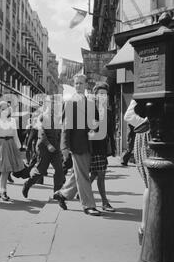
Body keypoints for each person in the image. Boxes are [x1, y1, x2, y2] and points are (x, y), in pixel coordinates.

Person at [53, 74, 102, 216]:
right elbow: (65, 126)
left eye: (81, 83)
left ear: (86, 85)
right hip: (76, 144)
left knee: (78, 174)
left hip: (88, 143)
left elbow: (97, 121)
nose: (78, 86)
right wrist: (64, 147)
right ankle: (88, 205)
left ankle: (62, 194)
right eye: (76, 83)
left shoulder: (91, 102)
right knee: (84, 176)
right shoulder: (69, 102)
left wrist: (94, 127)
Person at [22, 97, 65, 199]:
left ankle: (56, 193)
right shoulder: (42, 117)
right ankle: (27, 184)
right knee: (41, 171)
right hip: (44, 147)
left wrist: (62, 148)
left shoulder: (58, 118)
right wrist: (48, 145)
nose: (53, 106)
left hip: (56, 148)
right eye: (51, 104)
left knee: (59, 170)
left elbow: (60, 134)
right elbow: (41, 133)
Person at [124, 99, 150, 245]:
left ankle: (146, 227)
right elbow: (128, 115)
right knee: (151, 183)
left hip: (153, 137)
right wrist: (149, 123)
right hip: (148, 137)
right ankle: (144, 227)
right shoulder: (141, 93)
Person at [0, 101, 24, 202]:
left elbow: (15, 134)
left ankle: (1, 190)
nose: (6, 110)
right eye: (3, 108)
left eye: (7, 108)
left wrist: (19, 147)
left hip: (11, 145)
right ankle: (3, 191)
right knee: (4, 170)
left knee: (6, 170)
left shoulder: (12, 121)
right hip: (1, 145)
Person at [89, 83, 116, 213]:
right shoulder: (90, 110)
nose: (103, 96)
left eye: (104, 94)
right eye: (100, 93)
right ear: (95, 95)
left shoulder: (109, 111)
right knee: (101, 174)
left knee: (95, 173)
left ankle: (80, 191)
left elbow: (111, 131)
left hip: (103, 148)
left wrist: (113, 148)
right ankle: (105, 202)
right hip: (93, 147)